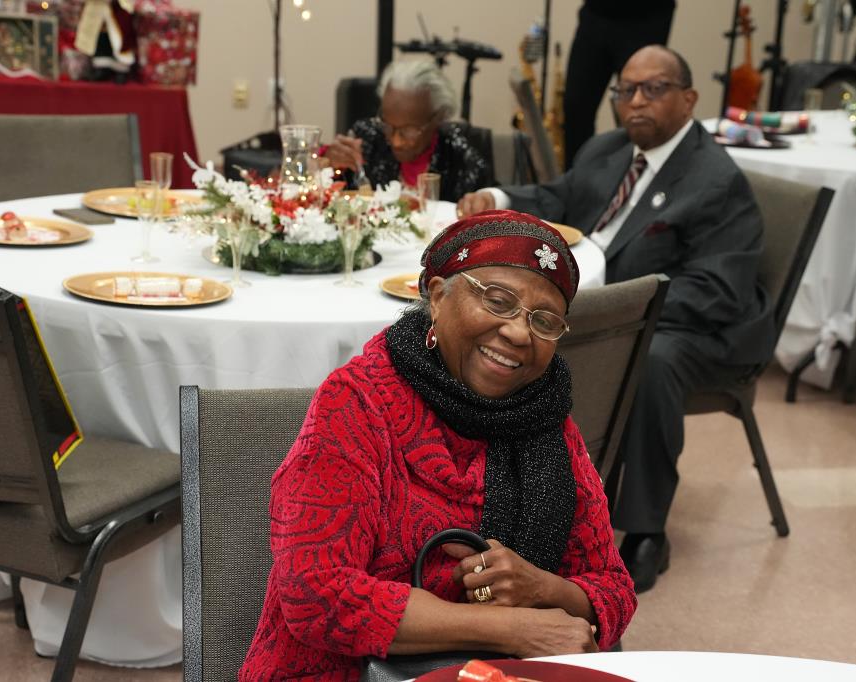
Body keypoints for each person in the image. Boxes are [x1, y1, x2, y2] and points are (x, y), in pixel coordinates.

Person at [239, 210, 636, 679]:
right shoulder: (357, 404)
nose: (518, 332)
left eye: (544, 321)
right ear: (438, 296)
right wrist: (510, 628)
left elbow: (614, 589)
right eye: (498, 300)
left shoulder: (545, 419)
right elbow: (317, 594)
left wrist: (542, 588)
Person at [457, 46, 776, 594]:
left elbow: (718, 290)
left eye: (653, 89)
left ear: (689, 99)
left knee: (650, 361)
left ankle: (648, 530)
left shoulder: (715, 180)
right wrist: (498, 196)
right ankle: (502, 497)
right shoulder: (608, 149)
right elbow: (559, 197)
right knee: (495, 326)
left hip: (695, 326)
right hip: (599, 303)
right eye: (625, 90)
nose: (636, 102)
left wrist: (622, 309)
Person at [322, 58, 491, 202]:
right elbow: (331, 196)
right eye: (388, 125)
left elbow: (486, 208)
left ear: (438, 117)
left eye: (409, 131)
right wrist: (329, 166)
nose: (396, 141)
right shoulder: (367, 138)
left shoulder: (461, 158)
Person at [563, 1, 676, 169]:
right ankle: (577, 178)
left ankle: (638, 178)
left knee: (641, 110)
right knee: (575, 106)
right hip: (596, 12)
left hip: (646, 18)